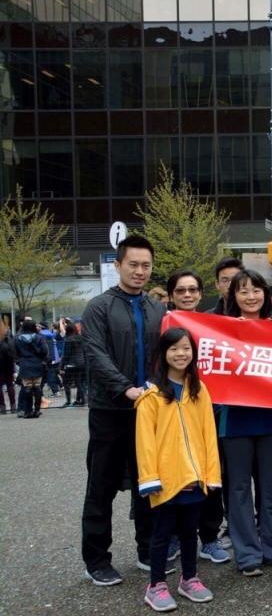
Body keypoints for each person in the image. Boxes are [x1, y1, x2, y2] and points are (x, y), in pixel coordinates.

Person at [81, 235, 164, 586]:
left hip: (149, 410)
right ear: (118, 265)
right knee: (101, 485)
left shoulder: (157, 308)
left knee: (150, 483)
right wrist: (125, 388)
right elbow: (95, 354)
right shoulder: (98, 307)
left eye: (146, 265)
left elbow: (168, 352)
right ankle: (97, 559)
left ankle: (148, 551)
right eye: (133, 264)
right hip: (110, 409)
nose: (139, 271)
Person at [135, 327, 221, 612]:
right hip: (167, 479)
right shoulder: (151, 397)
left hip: (195, 477)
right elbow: (144, 442)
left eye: (186, 348)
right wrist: (150, 478)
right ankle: (156, 585)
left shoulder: (200, 390)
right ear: (163, 353)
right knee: (162, 533)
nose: (181, 353)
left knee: (189, 531)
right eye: (174, 348)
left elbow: (209, 433)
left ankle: (189, 578)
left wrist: (211, 474)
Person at [219, 268, 272, 576]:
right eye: (243, 291)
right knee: (238, 489)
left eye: (256, 290)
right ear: (233, 297)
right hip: (235, 420)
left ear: (266, 294)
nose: (250, 296)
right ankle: (247, 553)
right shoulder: (221, 330)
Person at [165, 268, 230, 563]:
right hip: (172, 408)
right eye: (181, 291)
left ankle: (209, 537)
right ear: (171, 295)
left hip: (210, 409)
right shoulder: (164, 325)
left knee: (210, 472)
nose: (187, 295)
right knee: (175, 470)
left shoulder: (215, 325)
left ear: (202, 294)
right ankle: (176, 537)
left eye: (192, 290)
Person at [14, 319, 48, 419]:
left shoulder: (18, 338)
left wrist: (20, 360)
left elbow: (15, 352)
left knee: (27, 387)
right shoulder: (39, 338)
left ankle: (28, 411)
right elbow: (44, 351)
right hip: (37, 364)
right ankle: (37, 410)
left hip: (25, 364)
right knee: (37, 387)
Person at [60, 321, 87, 407]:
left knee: (66, 382)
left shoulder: (68, 340)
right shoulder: (81, 338)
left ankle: (68, 401)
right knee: (79, 382)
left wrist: (61, 367)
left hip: (71, 364)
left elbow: (66, 355)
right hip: (82, 363)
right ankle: (82, 400)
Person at [0, 320, 16, 414]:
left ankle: (2, 407)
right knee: (10, 385)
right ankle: (13, 406)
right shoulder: (8, 337)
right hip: (9, 364)